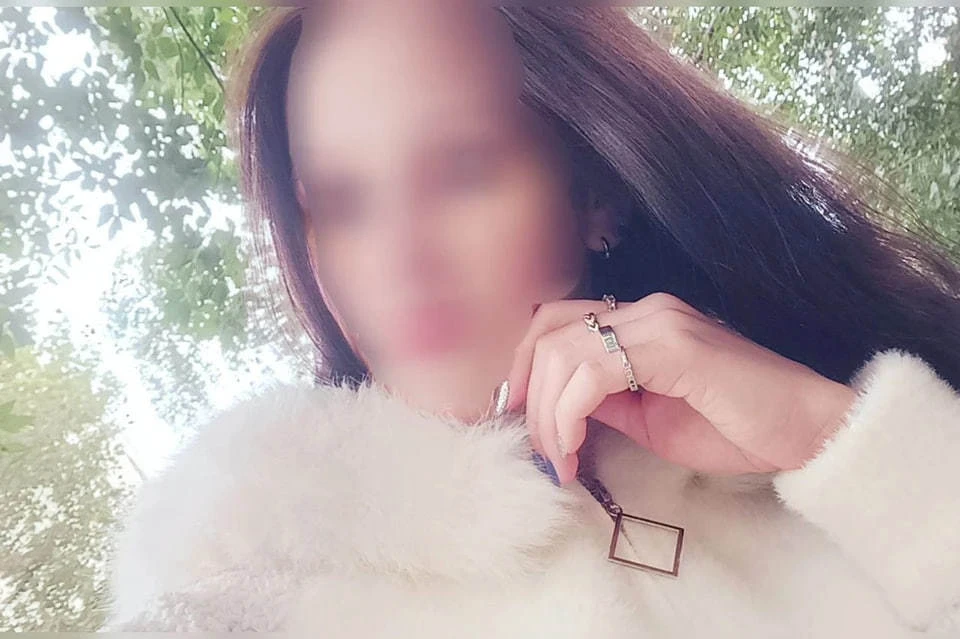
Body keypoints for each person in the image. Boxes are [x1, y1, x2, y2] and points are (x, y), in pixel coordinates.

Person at [101, 5, 960, 636]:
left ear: (598, 196)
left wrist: (834, 438)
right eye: (344, 202)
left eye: (462, 168)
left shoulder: (825, 481)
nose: (400, 256)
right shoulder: (262, 558)